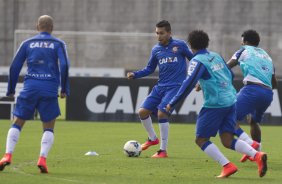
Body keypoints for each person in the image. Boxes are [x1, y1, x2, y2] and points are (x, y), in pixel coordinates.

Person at [166, 30, 267, 178]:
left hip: (215, 104)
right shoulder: (216, 55)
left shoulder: (197, 60)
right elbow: (230, 74)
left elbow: (188, 84)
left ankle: (227, 165)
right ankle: (257, 155)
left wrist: (172, 103)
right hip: (231, 100)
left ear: (191, 46)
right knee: (227, 139)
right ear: (207, 43)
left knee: (201, 139)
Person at [0, 15, 70, 173]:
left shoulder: (27, 43)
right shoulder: (58, 44)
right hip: (49, 88)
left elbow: (14, 67)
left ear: (37, 27)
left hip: (30, 87)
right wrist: (64, 88)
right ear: (52, 28)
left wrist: (10, 90)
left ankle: (7, 155)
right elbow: (65, 65)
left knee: (17, 122)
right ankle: (42, 159)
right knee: (48, 127)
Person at [127, 20, 193, 158]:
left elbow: (193, 59)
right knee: (142, 112)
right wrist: (136, 74)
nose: (159, 36)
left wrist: (196, 78)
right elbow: (150, 68)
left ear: (169, 33)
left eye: (162, 33)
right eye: (157, 33)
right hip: (160, 87)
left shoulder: (180, 45)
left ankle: (163, 150)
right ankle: (152, 138)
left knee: (162, 114)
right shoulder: (156, 49)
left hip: (176, 87)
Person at [227, 29, 277, 162]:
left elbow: (227, 67)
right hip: (268, 93)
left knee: (228, 118)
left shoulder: (244, 50)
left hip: (252, 90)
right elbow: (274, 83)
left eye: (242, 40)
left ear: (244, 41)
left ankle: (253, 148)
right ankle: (258, 152)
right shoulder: (267, 56)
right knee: (253, 121)